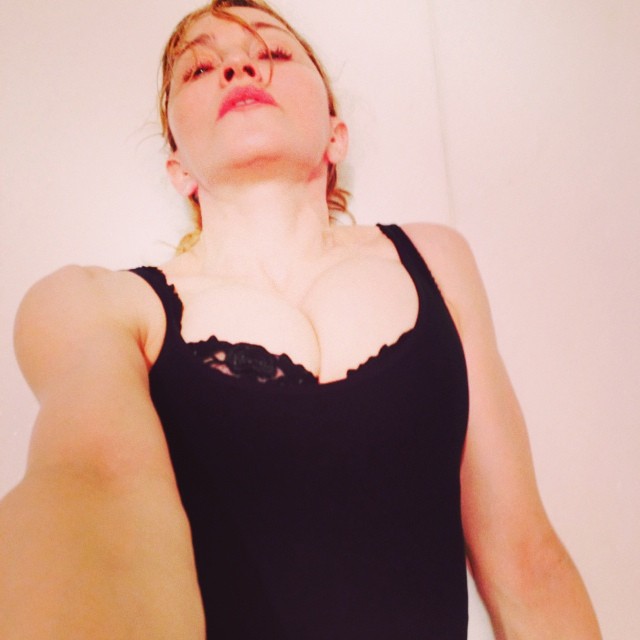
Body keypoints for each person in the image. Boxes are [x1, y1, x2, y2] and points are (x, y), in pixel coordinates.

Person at [0, 0, 601, 637]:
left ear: (336, 134)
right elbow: (92, 485)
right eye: (200, 68)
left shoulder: (438, 260)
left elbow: (527, 563)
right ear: (178, 169)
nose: (238, 67)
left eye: (273, 52)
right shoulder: (96, 304)